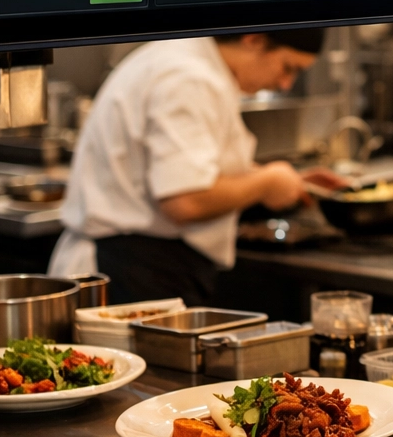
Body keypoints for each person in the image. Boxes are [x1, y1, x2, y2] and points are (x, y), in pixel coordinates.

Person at [49, 29, 335, 304]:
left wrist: (287, 180)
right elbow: (185, 200)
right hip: (130, 274)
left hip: (140, 266)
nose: (285, 83)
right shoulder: (189, 77)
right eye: (288, 67)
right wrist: (267, 182)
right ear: (254, 40)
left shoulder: (188, 61)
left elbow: (194, 168)